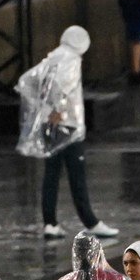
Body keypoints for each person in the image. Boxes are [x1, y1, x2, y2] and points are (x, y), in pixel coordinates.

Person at [16, 26, 120, 240]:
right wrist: (58, 109)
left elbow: (29, 80)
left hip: (50, 125)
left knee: (51, 173)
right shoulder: (71, 59)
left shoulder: (53, 56)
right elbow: (61, 86)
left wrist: (44, 108)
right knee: (76, 173)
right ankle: (90, 221)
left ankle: (50, 223)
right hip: (67, 125)